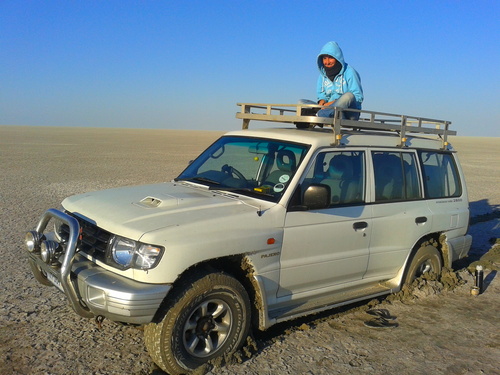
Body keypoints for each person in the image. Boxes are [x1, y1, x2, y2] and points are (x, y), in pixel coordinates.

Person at [300, 41, 363, 120]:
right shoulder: (322, 75)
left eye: (330, 58)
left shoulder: (350, 72)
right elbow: (321, 94)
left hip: (348, 113)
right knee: (302, 102)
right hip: (330, 111)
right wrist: (322, 101)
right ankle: (320, 114)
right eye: (324, 58)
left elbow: (358, 97)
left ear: (337, 58)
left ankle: (317, 115)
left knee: (348, 96)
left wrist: (333, 103)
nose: (327, 62)